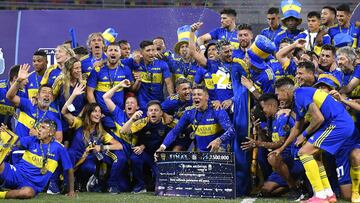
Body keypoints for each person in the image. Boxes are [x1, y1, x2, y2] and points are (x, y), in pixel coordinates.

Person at [270, 77, 357, 202]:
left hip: (338, 124)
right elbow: (297, 127)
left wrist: (304, 135)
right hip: (340, 124)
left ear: (285, 91)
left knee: (303, 152)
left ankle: (320, 196)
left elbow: (318, 118)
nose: (278, 99)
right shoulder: (298, 98)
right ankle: (328, 194)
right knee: (314, 156)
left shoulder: (300, 93)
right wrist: (281, 148)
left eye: (278, 94)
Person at [62, 85, 129, 193]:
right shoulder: (79, 123)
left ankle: (83, 183)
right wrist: (73, 95)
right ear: (88, 113)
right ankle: (66, 184)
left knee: (91, 167)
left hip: (87, 161)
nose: (98, 114)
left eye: (99, 111)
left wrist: (101, 147)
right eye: (94, 111)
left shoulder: (101, 131)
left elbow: (119, 145)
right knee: (69, 154)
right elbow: (64, 112)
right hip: (74, 157)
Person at [241, 94, 303, 200]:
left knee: (272, 157)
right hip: (282, 162)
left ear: (270, 105)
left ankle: (294, 188)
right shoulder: (271, 119)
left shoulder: (282, 118)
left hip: (293, 159)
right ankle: (299, 185)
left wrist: (258, 143)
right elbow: (270, 142)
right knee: (265, 191)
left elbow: (280, 143)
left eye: (262, 108)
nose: (261, 111)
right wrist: (259, 131)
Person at [0, 120, 75, 199]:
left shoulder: (59, 148)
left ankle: (1, 195)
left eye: (43, 128)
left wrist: (71, 191)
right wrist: (6, 132)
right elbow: (15, 142)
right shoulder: (32, 139)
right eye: (39, 127)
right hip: (16, 173)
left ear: (51, 133)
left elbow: (69, 169)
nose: (39, 129)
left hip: (31, 184)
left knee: (28, 193)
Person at [157, 85, 235, 153]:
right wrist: (162, 147)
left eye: (199, 94)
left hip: (218, 152)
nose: (196, 97)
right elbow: (175, 132)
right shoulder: (189, 113)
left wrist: (219, 140)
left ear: (207, 97)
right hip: (200, 152)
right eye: (194, 95)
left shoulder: (217, 110)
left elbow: (231, 130)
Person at [120, 100, 174, 193]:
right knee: (135, 158)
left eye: (156, 110)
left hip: (160, 156)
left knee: (161, 183)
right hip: (145, 154)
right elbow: (123, 131)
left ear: (161, 113)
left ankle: (156, 185)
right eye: (151, 110)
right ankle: (140, 186)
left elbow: (181, 128)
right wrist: (132, 119)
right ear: (147, 113)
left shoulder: (168, 122)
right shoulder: (142, 122)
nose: (153, 112)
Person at [6, 64, 62, 142]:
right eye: (44, 92)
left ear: (52, 98)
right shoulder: (27, 104)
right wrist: (18, 80)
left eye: (50, 93)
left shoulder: (54, 115)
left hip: (38, 153)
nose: (47, 94)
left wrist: (39, 135)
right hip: (18, 149)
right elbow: (10, 96)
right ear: (37, 95)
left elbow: (59, 139)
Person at [87, 42, 134, 129]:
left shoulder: (126, 69)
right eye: (110, 50)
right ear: (106, 53)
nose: (113, 53)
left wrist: (137, 80)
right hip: (102, 115)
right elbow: (89, 92)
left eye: (116, 50)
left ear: (120, 54)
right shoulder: (98, 70)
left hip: (118, 112)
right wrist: (97, 112)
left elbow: (132, 89)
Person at [127, 40, 174, 111]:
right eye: (148, 50)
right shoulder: (135, 63)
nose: (151, 53)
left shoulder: (162, 64)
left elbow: (169, 83)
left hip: (159, 104)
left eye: (153, 50)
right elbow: (119, 62)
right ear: (142, 52)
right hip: (141, 106)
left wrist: (171, 97)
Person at [52, 57, 86, 143]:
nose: (79, 70)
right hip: (62, 121)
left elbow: (87, 103)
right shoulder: (60, 81)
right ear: (69, 69)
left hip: (78, 121)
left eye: (80, 68)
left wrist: (79, 117)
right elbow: (52, 98)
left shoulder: (83, 83)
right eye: (76, 68)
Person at [161, 78, 193, 151]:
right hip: (173, 130)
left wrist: (216, 102)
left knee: (176, 151)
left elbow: (208, 102)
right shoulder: (172, 101)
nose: (188, 91)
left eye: (189, 88)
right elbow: (158, 109)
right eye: (184, 89)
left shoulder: (194, 98)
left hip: (189, 131)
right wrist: (165, 115)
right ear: (177, 90)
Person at [0, 65, 28, 130]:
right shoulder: (1, 89)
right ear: (15, 78)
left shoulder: (23, 93)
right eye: (25, 78)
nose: (27, 81)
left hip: (6, 126)